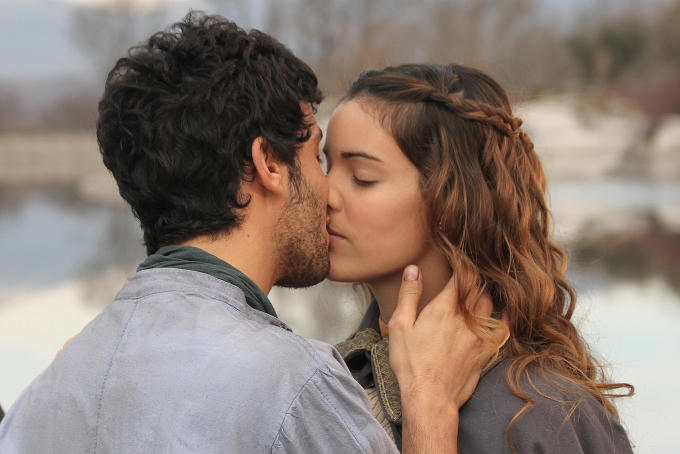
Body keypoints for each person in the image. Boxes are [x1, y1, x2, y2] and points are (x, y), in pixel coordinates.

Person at [0, 14, 505, 454]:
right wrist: (430, 412)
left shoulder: (39, 401)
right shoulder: (297, 388)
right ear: (269, 163)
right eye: (316, 156)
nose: (329, 191)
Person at [325, 63, 635, 453]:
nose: (325, 193)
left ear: (450, 201)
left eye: (361, 176)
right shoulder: (332, 382)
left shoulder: (536, 414)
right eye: (326, 166)